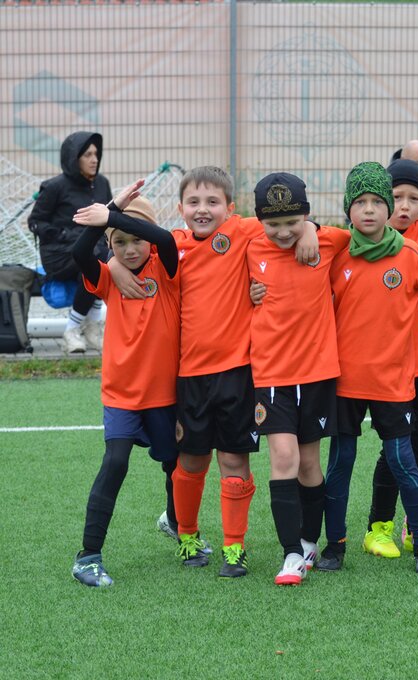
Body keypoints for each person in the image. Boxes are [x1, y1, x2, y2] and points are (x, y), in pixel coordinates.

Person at [109, 166, 319, 578]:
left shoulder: (243, 231)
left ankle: (234, 547)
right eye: (193, 202)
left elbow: (285, 223)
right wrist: (113, 264)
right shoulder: (171, 245)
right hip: (190, 376)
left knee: (233, 460)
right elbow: (126, 250)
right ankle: (187, 535)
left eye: (212, 202)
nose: (202, 209)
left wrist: (309, 227)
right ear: (180, 209)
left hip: (239, 373)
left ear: (230, 208)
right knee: (191, 461)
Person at [320, 158, 418, 567]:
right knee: (341, 463)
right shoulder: (335, 254)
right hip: (344, 382)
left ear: (388, 208)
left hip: (393, 381)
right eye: (360, 202)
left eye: (377, 202)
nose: (369, 210)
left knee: (404, 460)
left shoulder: (411, 254)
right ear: (348, 208)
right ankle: (336, 545)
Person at [68, 188, 187, 586]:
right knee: (115, 462)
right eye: (120, 242)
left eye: (137, 239)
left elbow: (164, 238)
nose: (130, 249)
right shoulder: (107, 276)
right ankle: (88, 556)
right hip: (121, 394)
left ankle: (177, 524)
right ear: (110, 244)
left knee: (175, 464)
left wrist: (113, 216)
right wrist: (112, 213)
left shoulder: (165, 267)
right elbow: (80, 253)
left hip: (163, 395)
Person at [247, 172, 349, 585]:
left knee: (309, 464)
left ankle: (308, 541)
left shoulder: (329, 241)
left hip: (319, 371)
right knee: (284, 458)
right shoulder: (248, 243)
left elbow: (369, 232)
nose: (284, 231)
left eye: (293, 222)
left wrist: (312, 229)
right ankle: (290, 553)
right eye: (273, 224)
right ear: (258, 220)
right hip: (271, 372)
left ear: (306, 214)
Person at [28, 131, 112, 353]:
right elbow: (35, 221)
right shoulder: (55, 186)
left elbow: (109, 218)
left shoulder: (102, 184)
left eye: (96, 154)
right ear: (74, 158)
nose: (94, 159)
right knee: (96, 260)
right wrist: (64, 234)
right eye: (87, 155)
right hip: (58, 254)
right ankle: (74, 330)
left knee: (100, 262)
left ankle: (88, 328)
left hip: (91, 251)